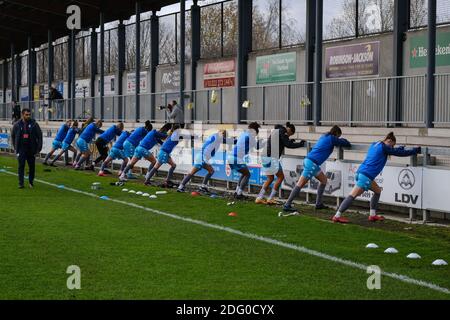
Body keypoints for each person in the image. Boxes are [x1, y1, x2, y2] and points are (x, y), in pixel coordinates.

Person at [332, 132, 421, 224]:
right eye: (392, 145)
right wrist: (415, 150)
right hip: (366, 176)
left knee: (378, 191)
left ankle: (372, 215)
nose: (392, 148)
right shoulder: (384, 147)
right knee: (352, 195)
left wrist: (399, 148)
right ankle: (337, 216)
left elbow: (392, 150)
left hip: (361, 173)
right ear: (389, 141)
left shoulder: (375, 144)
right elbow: (398, 153)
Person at [283, 125, 351, 213]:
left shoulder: (324, 136)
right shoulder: (332, 138)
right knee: (300, 184)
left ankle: (318, 204)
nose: (339, 137)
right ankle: (287, 204)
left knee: (324, 180)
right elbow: (346, 143)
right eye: (339, 136)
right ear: (336, 133)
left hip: (310, 162)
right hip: (312, 163)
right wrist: (342, 139)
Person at [256, 123, 305, 205]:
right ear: (289, 129)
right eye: (290, 134)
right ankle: (270, 198)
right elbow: (287, 144)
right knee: (280, 176)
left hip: (264, 156)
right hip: (271, 157)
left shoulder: (276, 130)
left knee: (270, 178)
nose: (288, 136)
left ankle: (259, 198)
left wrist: (289, 141)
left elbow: (282, 141)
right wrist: (300, 144)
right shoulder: (283, 131)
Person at [177, 129, 226, 193]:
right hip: (202, 157)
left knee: (211, 171)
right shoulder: (216, 136)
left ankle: (203, 186)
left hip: (203, 157)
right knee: (192, 172)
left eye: (224, 134)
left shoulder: (218, 138)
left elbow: (225, 140)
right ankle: (180, 187)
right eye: (222, 133)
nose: (223, 135)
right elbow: (210, 146)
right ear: (218, 132)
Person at [227, 122, 261, 200]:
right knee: (247, 174)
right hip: (236, 158)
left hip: (231, 157)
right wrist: (267, 142)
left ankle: (237, 192)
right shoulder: (250, 135)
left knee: (244, 173)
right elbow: (257, 147)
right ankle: (239, 194)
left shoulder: (244, 133)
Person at [11, 108, 43, 189]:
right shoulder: (17, 124)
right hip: (21, 148)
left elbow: (39, 135)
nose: (28, 116)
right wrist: (15, 148)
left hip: (31, 148)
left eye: (29, 115)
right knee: (21, 166)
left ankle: (31, 182)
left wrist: (38, 148)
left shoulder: (34, 124)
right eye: (26, 115)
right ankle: (21, 183)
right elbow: (13, 136)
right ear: (22, 115)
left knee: (32, 167)